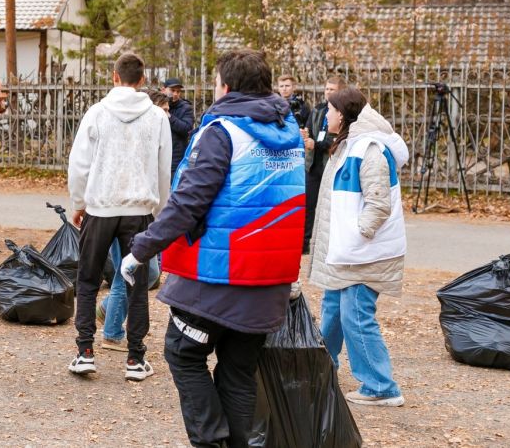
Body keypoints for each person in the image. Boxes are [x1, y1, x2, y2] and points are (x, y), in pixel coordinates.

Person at [125, 48, 306, 448]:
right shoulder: (290, 135)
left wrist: (142, 248)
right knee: (238, 370)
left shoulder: (222, 131)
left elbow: (189, 201)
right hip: (269, 276)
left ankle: (210, 441)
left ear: (226, 86)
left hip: (219, 272)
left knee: (183, 352)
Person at [67, 53, 171, 382]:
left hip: (100, 206)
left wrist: (79, 202)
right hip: (139, 209)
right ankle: (135, 358)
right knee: (137, 286)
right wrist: (159, 210)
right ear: (142, 80)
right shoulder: (157, 117)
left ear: (114, 77)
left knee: (87, 281)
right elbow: (162, 166)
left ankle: (85, 351)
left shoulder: (97, 114)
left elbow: (79, 162)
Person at [310, 86, 409, 408]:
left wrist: (357, 236)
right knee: (333, 311)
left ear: (345, 114)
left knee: (355, 316)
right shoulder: (347, 146)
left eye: (330, 109)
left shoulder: (369, 150)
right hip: (346, 252)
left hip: (361, 254)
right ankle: (323, 369)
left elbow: (378, 204)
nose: (326, 114)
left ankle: (381, 386)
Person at [97, 89, 169, 350]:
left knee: (146, 271)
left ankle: (108, 310)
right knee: (126, 272)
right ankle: (112, 331)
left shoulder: (146, 133)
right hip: (125, 211)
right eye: (165, 109)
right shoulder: (140, 129)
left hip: (134, 209)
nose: (167, 114)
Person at [302, 74, 347, 253]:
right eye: (326, 89)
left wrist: (317, 144)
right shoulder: (318, 109)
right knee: (309, 204)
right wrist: (306, 137)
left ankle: (330, 244)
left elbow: (338, 139)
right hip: (313, 164)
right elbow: (310, 130)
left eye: (332, 90)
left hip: (329, 163)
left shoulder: (343, 112)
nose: (328, 92)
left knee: (330, 206)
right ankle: (305, 244)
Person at [161, 77, 195, 169]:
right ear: (163, 90)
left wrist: (169, 116)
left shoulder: (186, 107)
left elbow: (187, 129)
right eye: (172, 90)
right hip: (159, 157)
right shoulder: (155, 105)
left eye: (178, 91)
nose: (175, 94)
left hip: (176, 159)